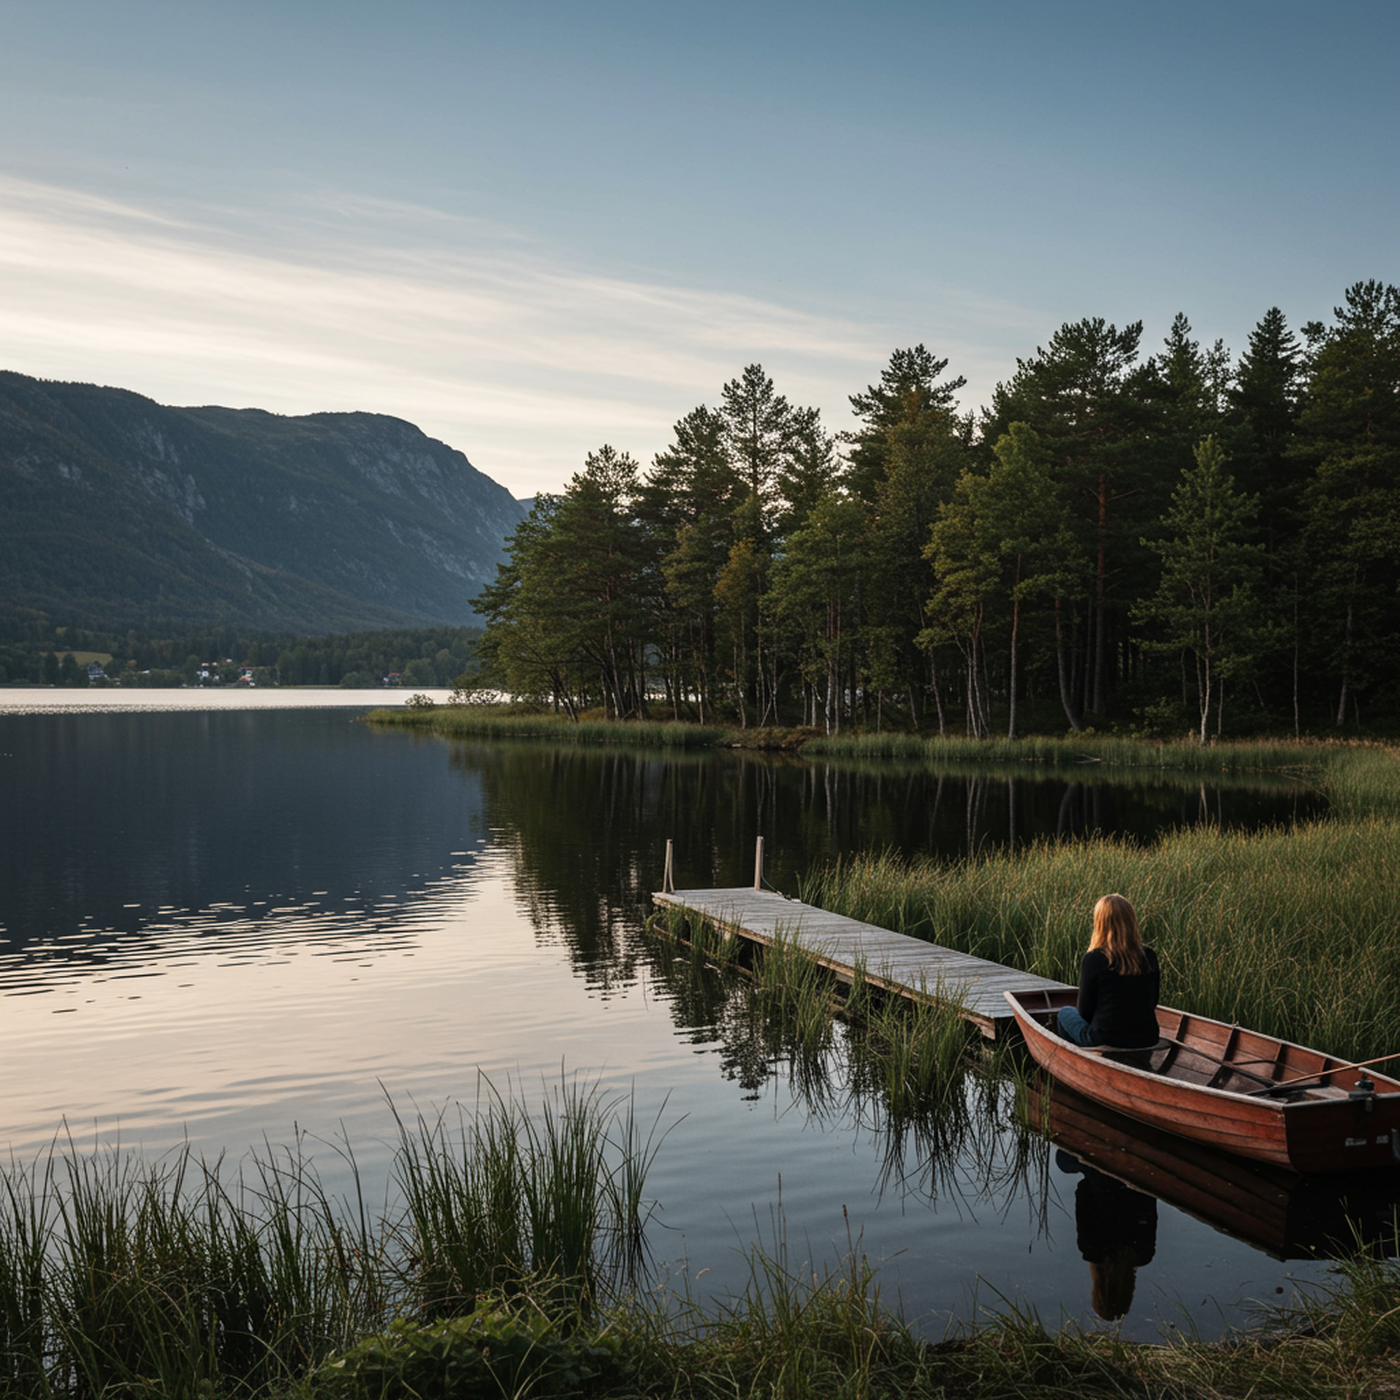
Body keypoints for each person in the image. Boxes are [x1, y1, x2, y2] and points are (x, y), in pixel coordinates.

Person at [1056, 894, 1160, 1049]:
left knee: (1065, 1013)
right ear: (1131, 921)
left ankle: (1077, 1062)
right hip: (1148, 1038)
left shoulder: (1094, 959)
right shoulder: (1149, 955)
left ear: (1100, 923)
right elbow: (1153, 1002)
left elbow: (1084, 1012)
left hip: (1106, 1039)